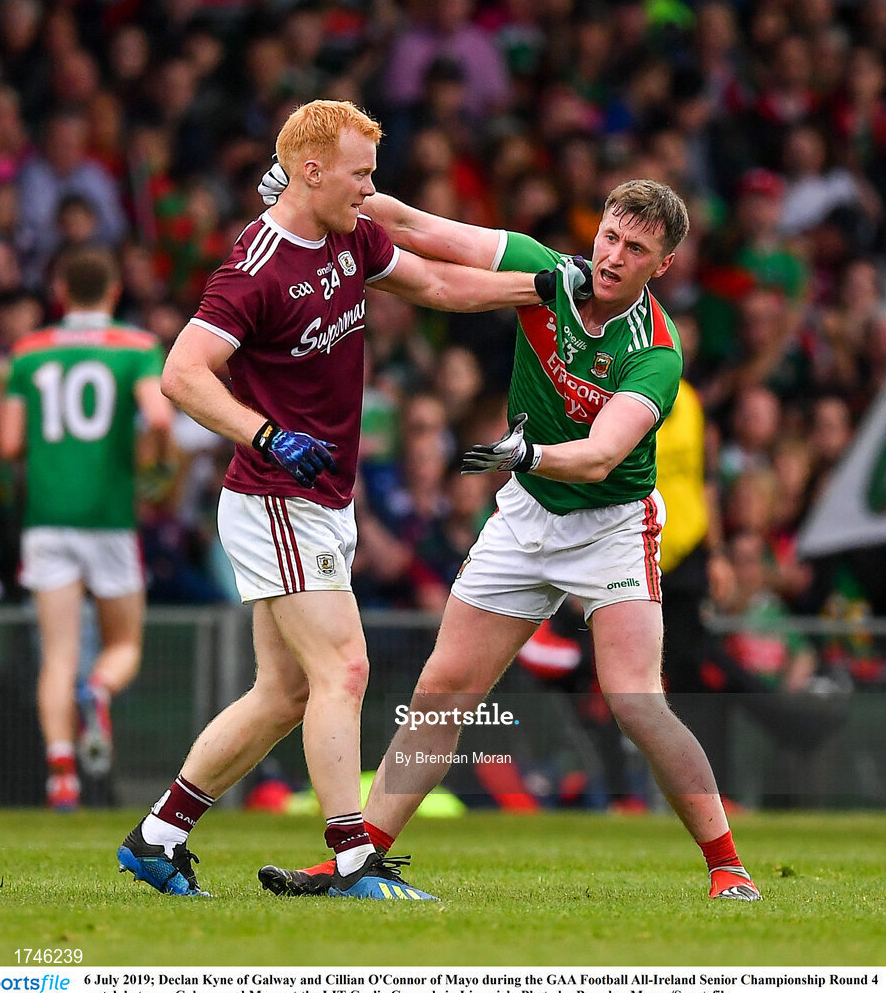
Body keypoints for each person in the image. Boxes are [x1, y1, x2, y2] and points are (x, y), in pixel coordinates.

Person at [115, 99, 583, 898]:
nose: (371, 189)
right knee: (346, 670)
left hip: (320, 497)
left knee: (283, 692)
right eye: (360, 174)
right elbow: (182, 373)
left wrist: (537, 286)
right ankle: (353, 860)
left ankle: (156, 837)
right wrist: (264, 435)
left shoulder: (350, 233)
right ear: (311, 169)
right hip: (276, 495)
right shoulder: (256, 267)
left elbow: (434, 283)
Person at [257, 163, 762, 901]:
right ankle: (355, 862)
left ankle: (727, 867)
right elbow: (413, 227)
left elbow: (598, 459)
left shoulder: (654, 350)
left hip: (610, 527)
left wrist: (527, 452)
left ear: (665, 266)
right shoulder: (544, 272)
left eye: (635, 251)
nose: (614, 258)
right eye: (610, 237)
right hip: (525, 513)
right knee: (440, 690)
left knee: (634, 701)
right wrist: (316, 194)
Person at [0, 246, 175, 811]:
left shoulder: (27, 353)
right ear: (115, 291)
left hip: (46, 521)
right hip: (108, 520)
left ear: (60, 293)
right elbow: (161, 414)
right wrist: (156, 460)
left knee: (57, 654)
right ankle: (98, 691)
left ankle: (62, 776)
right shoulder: (137, 348)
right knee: (122, 644)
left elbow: (8, 443)